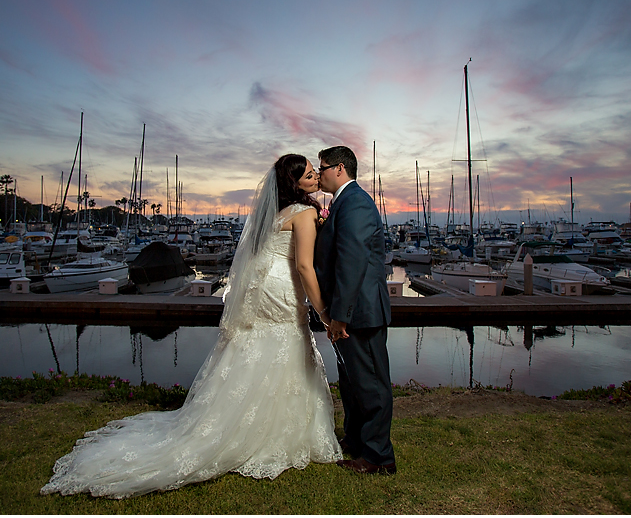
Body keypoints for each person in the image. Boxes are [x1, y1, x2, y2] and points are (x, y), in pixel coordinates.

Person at [41, 154, 341, 498]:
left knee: (259, 345)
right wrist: (325, 313)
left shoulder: (275, 213)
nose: (315, 176)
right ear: (294, 184)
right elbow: (304, 267)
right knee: (287, 341)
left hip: (263, 289)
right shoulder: (304, 213)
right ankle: (276, 432)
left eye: (314, 171)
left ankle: (240, 419)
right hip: (283, 289)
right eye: (308, 173)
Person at [314, 145, 396, 475]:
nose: (318, 175)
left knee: (372, 385)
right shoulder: (342, 203)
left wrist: (340, 316)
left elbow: (352, 261)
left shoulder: (356, 203)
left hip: (359, 312)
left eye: (322, 168)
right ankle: (356, 439)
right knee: (351, 382)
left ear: (339, 169)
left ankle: (379, 457)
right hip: (349, 310)